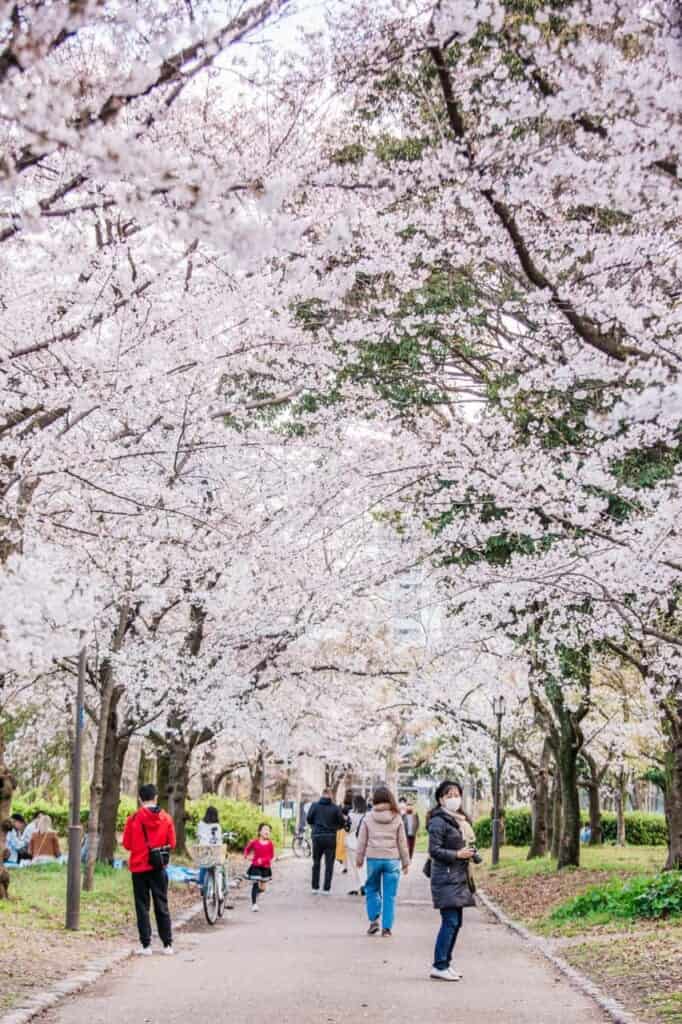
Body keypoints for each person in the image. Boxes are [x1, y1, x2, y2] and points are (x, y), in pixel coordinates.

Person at [427, 780, 477, 982]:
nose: (454, 798)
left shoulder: (460, 821)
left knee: (456, 923)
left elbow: (465, 844)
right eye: (449, 795)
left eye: (456, 794)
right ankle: (439, 965)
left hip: (458, 877)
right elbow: (434, 850)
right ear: (440, 799)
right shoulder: (439, 821)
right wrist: (457, 854)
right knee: (450, 921)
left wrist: (472, 854)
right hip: (446, 877)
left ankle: (445, 963)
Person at [122, 783, 176, 956]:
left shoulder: (133, 819)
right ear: (156, 797)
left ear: (139, 798)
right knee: (162, 904)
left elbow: (127, 844)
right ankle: (167, 944)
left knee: (142, 906)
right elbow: (172, 843)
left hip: (138, 868)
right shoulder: (166, 818)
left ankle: (146, 945)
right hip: (158, 867)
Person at [356, 784, 409, 937]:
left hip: (373, 859)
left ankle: (374, 921)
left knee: (371, 889)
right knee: (390, 895)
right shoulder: (397, 817)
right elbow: (402, 842)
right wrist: (405, 863)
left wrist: (359, 859)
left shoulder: (368, 817)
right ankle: (386, 928)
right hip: (392, 860)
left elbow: (362, 841)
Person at [307, 788, 346, 893]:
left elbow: (309, 818)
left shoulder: (314, 806)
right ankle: (326, 888)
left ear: (322, 794)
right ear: (331, 796)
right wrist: (336, 828)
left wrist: (314, 827)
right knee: (329, 864)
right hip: (330, 837)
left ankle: (315, 887)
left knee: (316, 862)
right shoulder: (335, 808)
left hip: (317, 837)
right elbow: (342, 822)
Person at [244, 822, 275, 913]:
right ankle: (254, 904)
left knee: (263, 888)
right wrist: (247, 856)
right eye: (265, 829)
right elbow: (247, 849)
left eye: (269, 830)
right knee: (255, 883)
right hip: (255, 866)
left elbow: (271, 856)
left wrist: (264, 860)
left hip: (265, 867)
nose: (267, 831)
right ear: (259, 831)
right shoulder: (254, 842)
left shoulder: (270, 844)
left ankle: (256, 893)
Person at [345, 794, 367, 896]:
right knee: (363, 865)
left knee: (356, 866)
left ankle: (361, 885)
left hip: (351, 842)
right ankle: (363, 884)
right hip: (363, 842)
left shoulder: (351, 815)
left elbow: (347, 829)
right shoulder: (367, 815)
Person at [196, 805, 222, 889]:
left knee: (203, 864)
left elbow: (199, 836)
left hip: (203, 848)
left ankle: (200, 883)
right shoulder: (217, 826)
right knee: (218, 866)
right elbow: (219, 839)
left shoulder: (200, 824)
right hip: (214, 849)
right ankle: (218, 888)